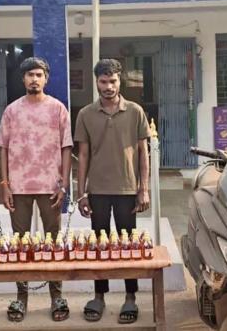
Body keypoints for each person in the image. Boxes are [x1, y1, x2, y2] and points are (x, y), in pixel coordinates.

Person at [0, 57, 73, 322]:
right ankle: (21, 297)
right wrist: (4, 184)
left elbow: (66, 147)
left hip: (50, 185)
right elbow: (3, 148)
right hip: (18, 186)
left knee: (53, 241)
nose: (34, 79)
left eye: (39, 75)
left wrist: (63, 183)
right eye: (30, 75)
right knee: (20, 242)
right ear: (23, 79)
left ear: (46, 78)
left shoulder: (57, 109)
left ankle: (57, 296)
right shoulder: (12, 110)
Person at [75, 58, 151, 324]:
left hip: (127, 189)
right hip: (97, 190)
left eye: (113, 81)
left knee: (128, 244)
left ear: (121, 81)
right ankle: (99, 296)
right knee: (100, 243)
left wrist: (144, 188)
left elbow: (143, 153)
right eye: (103, 81)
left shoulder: (135, 111)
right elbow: (83, 156)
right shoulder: (85, 114)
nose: (108, 86)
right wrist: (81, 192)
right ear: (96, 82)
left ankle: (130, 297)